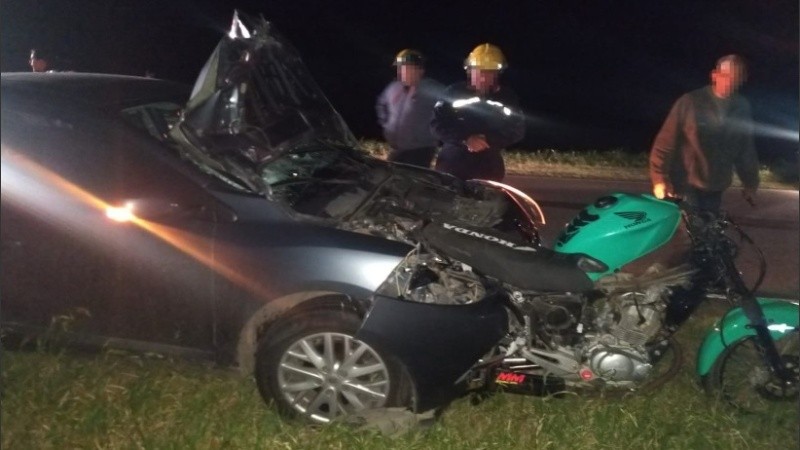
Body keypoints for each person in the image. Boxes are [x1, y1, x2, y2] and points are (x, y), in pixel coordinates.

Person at [649, 54, 759, 214]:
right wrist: (659, 179)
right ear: (715, 75)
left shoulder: (742, 107)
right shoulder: (690, 101)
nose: (730, 81)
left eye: (736, 77)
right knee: (694, 232)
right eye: (726, 76)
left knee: (710, 232)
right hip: (685, 184)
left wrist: (750, 184)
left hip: (716, 184)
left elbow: (746, 150)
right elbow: (664, 143)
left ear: (742, 80)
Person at [430, 43, 525, 181]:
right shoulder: (453, 92)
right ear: (469, 70)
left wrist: (489, 140)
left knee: (488, 202)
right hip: (452, 163)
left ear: (497, 74)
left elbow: (517, 130)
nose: (483, 77)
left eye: (489, 72)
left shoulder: (507, 97)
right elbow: (436, 124)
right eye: (478, 71)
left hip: (489, 164)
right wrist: (466, 139)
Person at [375, 49, 443, 167]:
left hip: (421, 150)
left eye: (407, 68)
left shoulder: (431, 89)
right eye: (400, 68)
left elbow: (449, 106)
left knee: (411, 181)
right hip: (397, 148)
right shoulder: (393, 88)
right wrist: (385, 124)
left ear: (420, 70)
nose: (402, 72)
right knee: (390, 178)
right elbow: (381, 104)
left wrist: (433, 132)